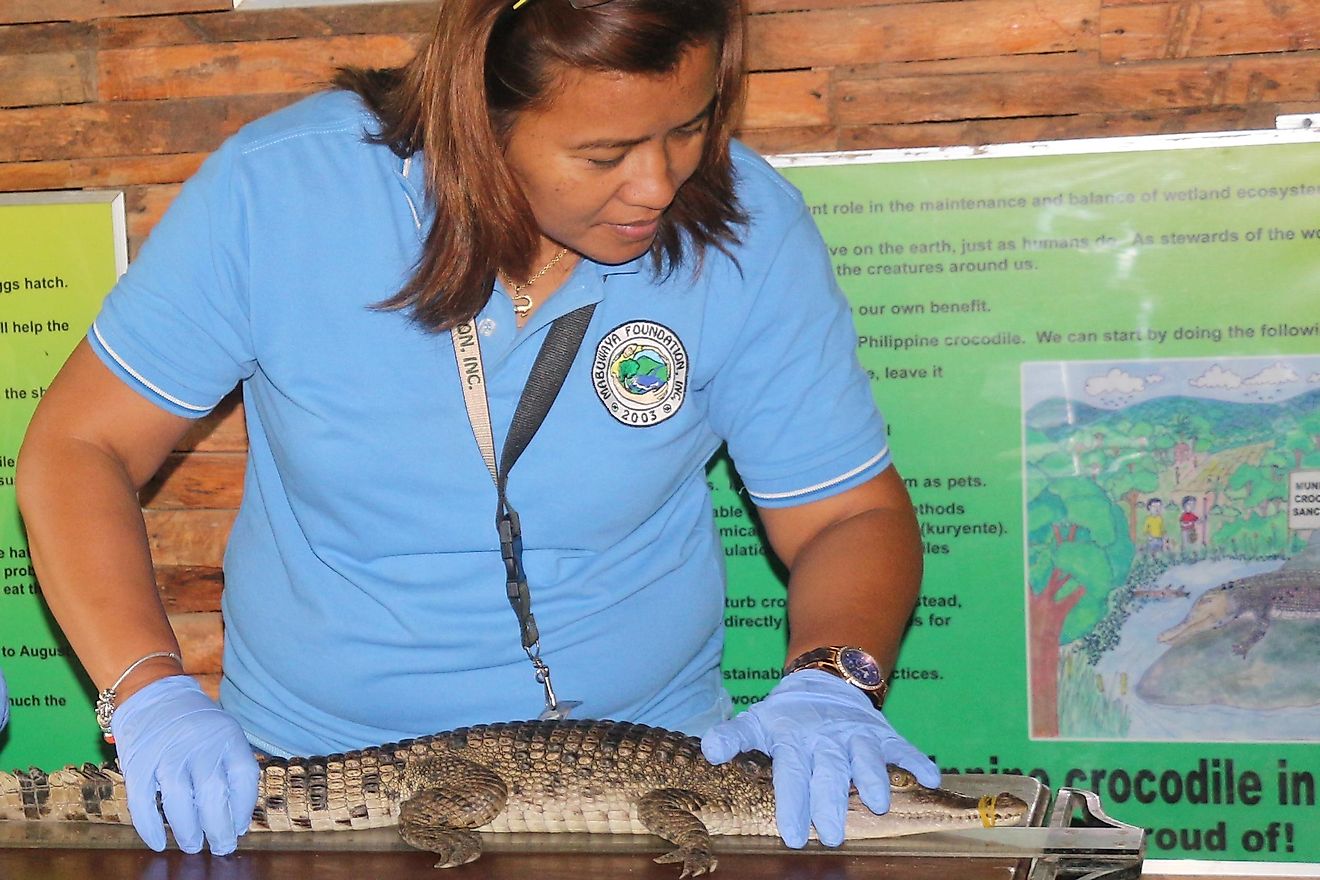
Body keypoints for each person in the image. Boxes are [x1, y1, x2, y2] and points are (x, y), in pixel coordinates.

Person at [16, 0, 937, 860]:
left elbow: (846, 516)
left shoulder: (750, 228)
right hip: (325, 784)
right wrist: (149, 694)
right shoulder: (279, 193)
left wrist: (831, 679)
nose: (658, 183)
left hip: (648, 783)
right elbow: (79, 447)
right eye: (605, 152)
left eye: (690, 126)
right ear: (478, 121)